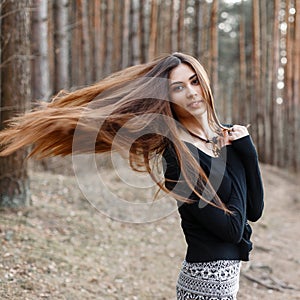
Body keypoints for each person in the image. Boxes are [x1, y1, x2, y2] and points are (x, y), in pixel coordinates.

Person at [0, 52, 264, 299]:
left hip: (227, 282)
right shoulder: (178, 159)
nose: (192, 92)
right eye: (178, 87)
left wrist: (247, 154)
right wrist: (234, 159)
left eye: (194, 81)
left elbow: (254, 210)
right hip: (205, 285)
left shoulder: (227, 137)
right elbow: (231, 230)